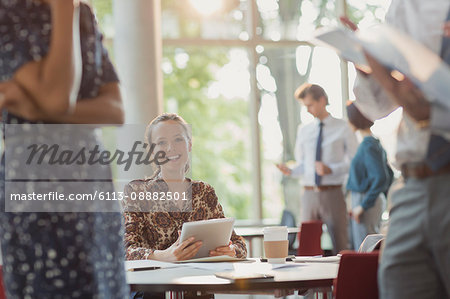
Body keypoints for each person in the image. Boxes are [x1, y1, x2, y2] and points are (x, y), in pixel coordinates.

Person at [0, 1, 128, 298]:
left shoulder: (82, 13)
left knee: (101, 286)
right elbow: (59, 97)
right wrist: (62, 8)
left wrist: (34, 108)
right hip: (34, 178)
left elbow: (116, 110)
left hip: (91, 178)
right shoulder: (8, 13)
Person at [341, 0, 450, 297]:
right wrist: (366, 67)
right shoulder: (404, 6)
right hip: (412, 185)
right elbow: (376, 106)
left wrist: (434, 114)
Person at [123, 113, 247, 262]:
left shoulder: (204, 192)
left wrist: (230, 250)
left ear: (189, 144)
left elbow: (239, 245)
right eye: (162, 143)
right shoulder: (138, 192)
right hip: (158, 283)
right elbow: (124, 250)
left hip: (201, 281)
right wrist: (163, 256)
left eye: (178, 139)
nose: (171, 148)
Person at [276, 83, 358, 254]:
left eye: (310, 105)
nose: (307, 110)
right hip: (308, 194)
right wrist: (290, 170)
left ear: (322, 100)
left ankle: (339, 279)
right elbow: (303, 165)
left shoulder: (343, 127)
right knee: (306, 246)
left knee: (340, 244)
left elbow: (354, 162)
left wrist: (332, 169)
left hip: (333, 193)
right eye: (305, 106)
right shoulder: (304, 131)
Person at [345, 102, 393, 250]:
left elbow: (381, 177)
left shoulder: (368, 145)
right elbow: (388, 175)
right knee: (367, 247)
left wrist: (363, 205)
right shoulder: (373, 143)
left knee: (365, 249)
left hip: (365, 201)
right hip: (368, 200)